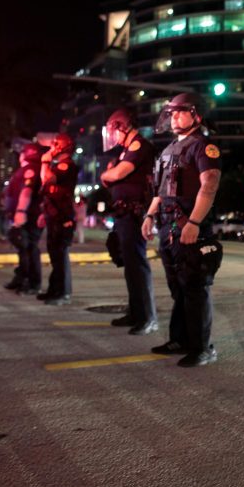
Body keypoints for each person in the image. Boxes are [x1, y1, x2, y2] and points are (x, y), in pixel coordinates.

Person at [142, 93, 222, 367]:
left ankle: (202, 347)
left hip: (188, 226)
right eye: (171, 113)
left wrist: (195, 223)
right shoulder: (168, 150)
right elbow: (161, 189)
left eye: (179, 112)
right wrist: (150, 215)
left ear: (196, 114)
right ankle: (180, 339)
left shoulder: (203, 146)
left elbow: (209, 185)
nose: (173, 117)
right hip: (167, 227)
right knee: (179, 288)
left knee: (195, 287)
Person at [100, 107, 158, 335]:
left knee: (137, 266)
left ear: (122, 127)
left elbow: (116, 174)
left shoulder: (139, 146)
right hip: (124, 214)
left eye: (114, 131)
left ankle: (147, 317)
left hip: (134, 214)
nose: (112, 137)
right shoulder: (126, 149)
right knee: (130, 267)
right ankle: (136, 312)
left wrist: (106, 176)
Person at [38, 134, 78, 305]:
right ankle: (54, 290)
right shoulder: (57, 166)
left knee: (60, 255)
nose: (52, 147)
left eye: (55, 144)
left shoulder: (67, 165)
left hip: (63, 216)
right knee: (54, 255)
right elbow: (45, 184)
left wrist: (45, 162)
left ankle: (63, 293)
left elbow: (48, 179)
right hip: (53, 215)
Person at [3, 143, 44, 295]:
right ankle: (21, 277)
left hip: (29, 216)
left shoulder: (30, 169)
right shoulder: (26, 169)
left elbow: (26, 191)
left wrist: (20, 211)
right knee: (22, 248)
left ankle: (33, 283)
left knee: (29, 248)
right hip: (24, 215)